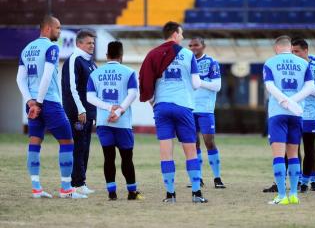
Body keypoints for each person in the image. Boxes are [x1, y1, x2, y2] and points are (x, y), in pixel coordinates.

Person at [16, 15, 86, 199]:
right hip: (49, 103)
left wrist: (30, 101)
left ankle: (36, 188)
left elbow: (20, 79)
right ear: (47, 28)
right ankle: (66, 189)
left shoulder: (26, 49)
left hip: (32, 104)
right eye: (58, 28)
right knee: (67, 142)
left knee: (34, 143)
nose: (60, 31)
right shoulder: (52, 47)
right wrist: (39, 103)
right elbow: (46, 77)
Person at [139, 21, 207, 203]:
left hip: (162, 106)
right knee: (191, 151)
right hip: (183, 106)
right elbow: (196, 84)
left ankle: (170, 195)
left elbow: (145, 82)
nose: (183, 37)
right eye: (182, 33)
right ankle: (196, 194)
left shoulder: (152, 54)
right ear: (176, 34)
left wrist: (154, 102)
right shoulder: (187, 54)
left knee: (166, 153)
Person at [86, 41, 142, 200]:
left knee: (108, 157)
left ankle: (112, 192)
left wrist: (108, 108)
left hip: (103, 123)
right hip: (122, 123)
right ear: (121, 56)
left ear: (106, 56)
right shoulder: (129, 72)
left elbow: (89, 98)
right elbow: (132, 94)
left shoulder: (95, 73)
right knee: (127, 158)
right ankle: (132, 192)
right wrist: (118, 110)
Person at [263, 35, 314, 205]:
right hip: (296, 113)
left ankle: (281, 196)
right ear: (290, 47)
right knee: (293, 155)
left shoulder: (270, 62)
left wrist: (284, 101)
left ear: (276, 47)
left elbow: (270, 86)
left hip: (277, 113)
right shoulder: (304, 63)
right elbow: (310, 87)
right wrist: (293, 101)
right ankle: (293, 194)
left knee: (278, 156)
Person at [61, 29, 97, 195]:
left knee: (85, 147)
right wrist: (80, 109)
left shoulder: (90, 62)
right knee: (78, 147)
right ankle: (76, 184)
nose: (92, 46)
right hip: (77, 113)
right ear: (79, 43)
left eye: (93, 43)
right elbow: (72, 88)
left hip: (88, 113)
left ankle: (81, 182)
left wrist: (94, 113)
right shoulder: (74, 59)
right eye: (89, 43)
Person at [291, 39, 315, 192]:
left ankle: (309, 179)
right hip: (293, 113)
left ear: (306, 51)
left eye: (297, 51)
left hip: (310, 115)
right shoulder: (291, 68)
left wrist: (308, 88)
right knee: (294, 149)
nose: (294, 54)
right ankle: (299, 179)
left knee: (309, 147)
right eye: (292, 51)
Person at [188, 37, 225, 189]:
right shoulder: (186, 63)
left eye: (196, 45)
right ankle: (198, 178)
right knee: (193, 144)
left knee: (209, 142)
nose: (192, 48)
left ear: (203, 46)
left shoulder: (211, 62)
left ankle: (217, 178)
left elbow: (217, 86)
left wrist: (198, 82)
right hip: (189, 109)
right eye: (190, 45)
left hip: (205, 109)